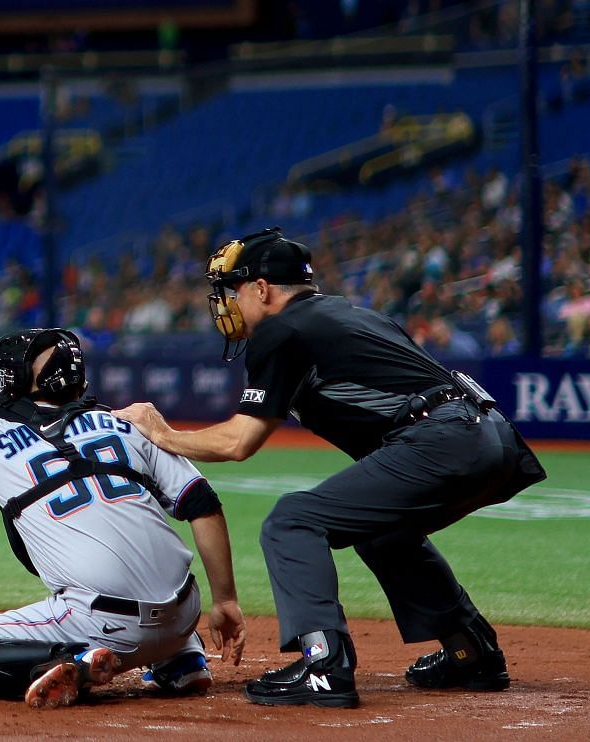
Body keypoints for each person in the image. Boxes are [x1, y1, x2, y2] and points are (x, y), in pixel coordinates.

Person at [116, 228, 548, 709]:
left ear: (262, 289)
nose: (227, 303)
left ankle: (324, 665)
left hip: (444, 436)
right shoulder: (349, 313)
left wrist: (161, 433)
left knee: (292, 520)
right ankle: (472, 652)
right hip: (490, 436)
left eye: (233, 290)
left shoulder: (280, 330)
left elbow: (240, 442)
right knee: (384, 532)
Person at [0, 329, 243, 709]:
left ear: (27, 385)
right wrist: (225, 600)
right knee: (146, 581)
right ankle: (182, 658)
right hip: (185, 610)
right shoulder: (131, 424)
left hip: (102, 623)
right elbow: (202, 504)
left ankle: (72, 658)